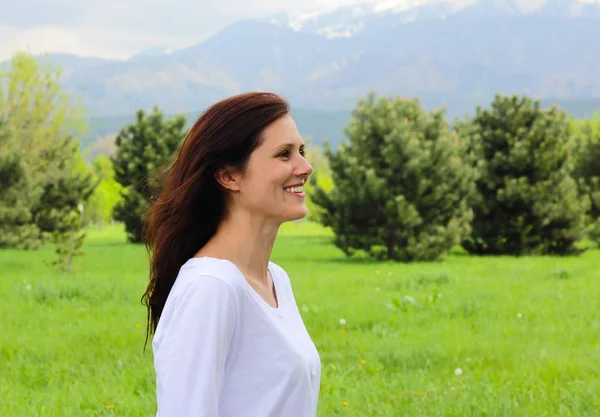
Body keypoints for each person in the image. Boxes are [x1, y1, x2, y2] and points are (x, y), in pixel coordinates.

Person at [141, 92, 321, 417]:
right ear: (229, 176)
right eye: (284, 154)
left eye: (301, 152)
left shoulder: (275, 279)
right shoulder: (211, 287)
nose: (305, 167)